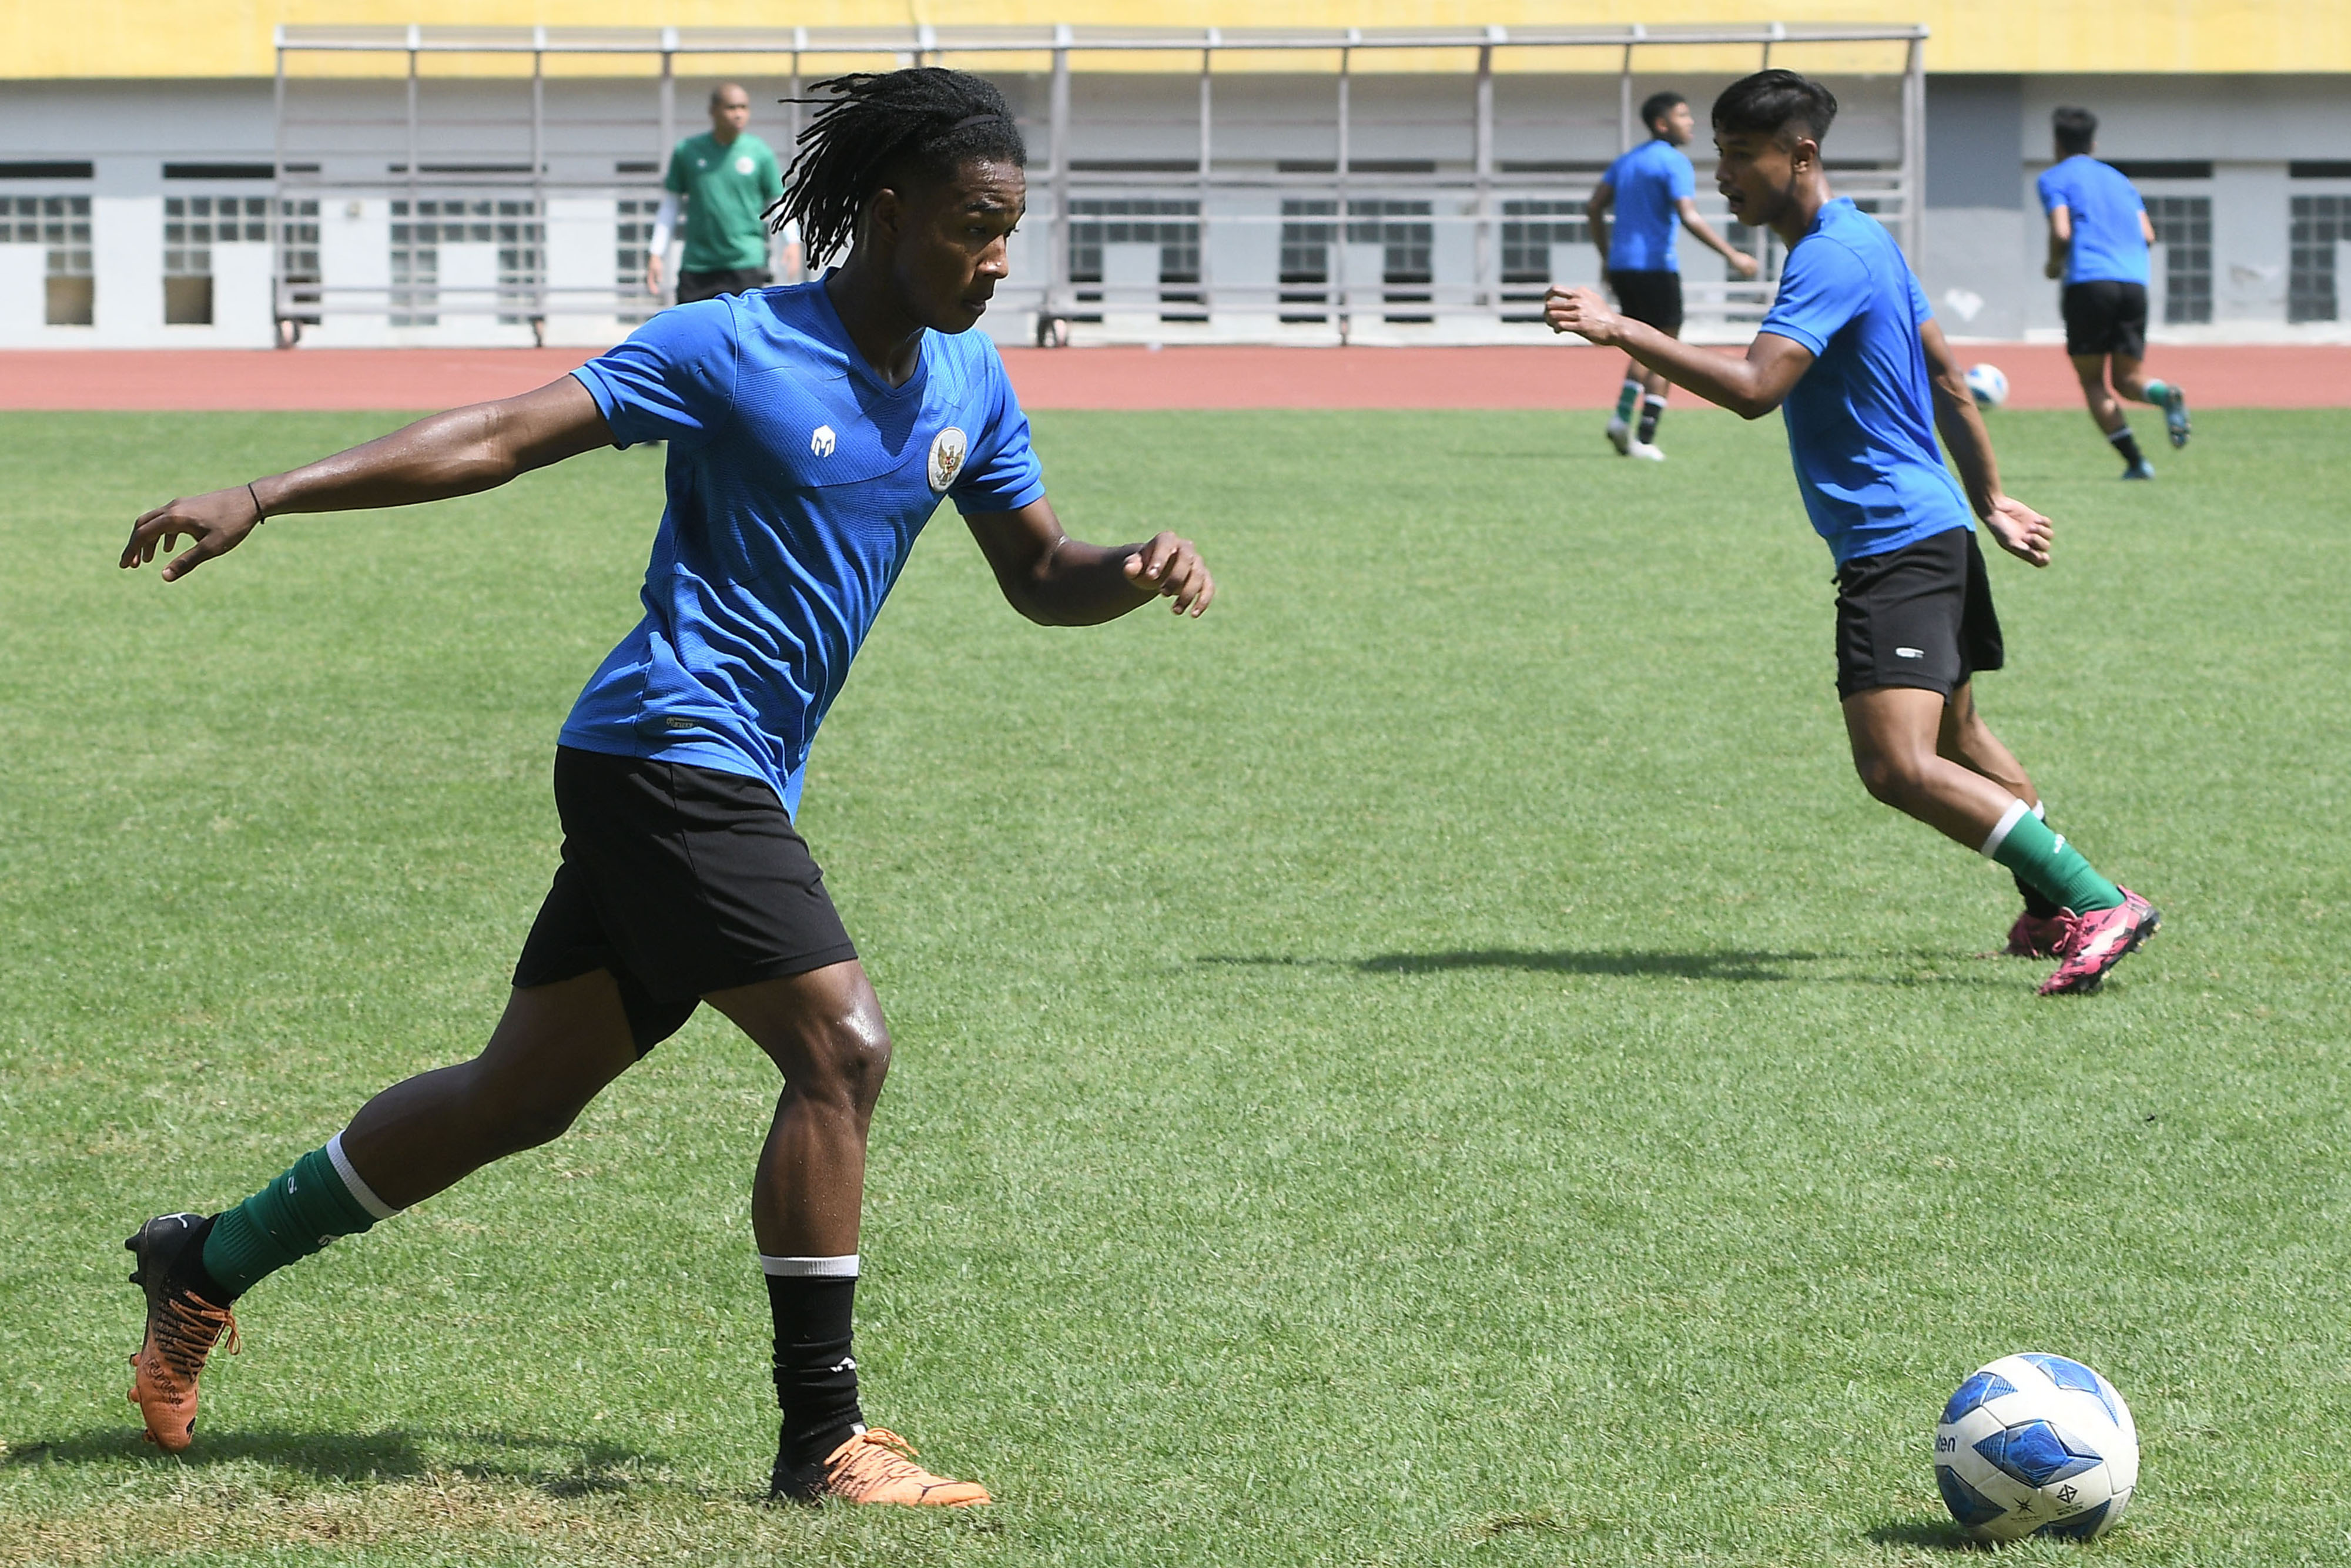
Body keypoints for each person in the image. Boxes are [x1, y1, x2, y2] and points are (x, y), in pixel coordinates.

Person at [116, 66, 1214, 1507]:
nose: (997, 257)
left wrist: (1125, 574)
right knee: (842, 1048)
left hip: (729, 772)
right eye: (971, 226)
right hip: (662, 753)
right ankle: (823, 1439)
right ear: (886, 215)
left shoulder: (969, 379)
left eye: (1011, 228)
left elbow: (1036, 576)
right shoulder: (734, 345)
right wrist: (267, 494)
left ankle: (204, 1258)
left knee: (518, 1096)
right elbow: (505, 433)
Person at [1547, 69, 2158, 993]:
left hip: (1895, 542)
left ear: (1802, 154)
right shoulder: (1866, 238)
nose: (1722, 176)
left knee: (1896, 764)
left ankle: (2099, 897)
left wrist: (1619, 328)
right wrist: (1988, 499)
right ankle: (2051, 905)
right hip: (1934, 528)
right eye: (1716, 153)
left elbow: (1756, 391)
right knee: (1958, 738)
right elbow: (1950, 376)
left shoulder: (1832, 256)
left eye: (1739, 155)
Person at [1585, 90, 1760, 461]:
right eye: (1683, 116)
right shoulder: (1673, 162)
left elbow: (1594, 205)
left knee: (1639, 339)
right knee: (1664, 346)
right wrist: (1733, 255)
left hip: (1623, 266)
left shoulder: (1628, 161)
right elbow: (1690, 215)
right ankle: (1645, 436)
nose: (1690, 122)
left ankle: (1621, 418)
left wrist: (1606, 255)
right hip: (1656, 266)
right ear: (1663, 124)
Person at [2038, 106, 2191, 478]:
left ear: (2057, 143)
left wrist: (2054, 264)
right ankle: (2163, 394)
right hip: (2134, 283)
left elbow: (2062, 231)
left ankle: (2137, 462)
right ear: (2093, 143)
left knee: (2093, 380)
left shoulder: (2055, 178)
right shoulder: (2120, 180)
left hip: (2090, 283)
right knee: (2128, 380)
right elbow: (2149, 234)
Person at [647, 82, 804, 305]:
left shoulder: (760, 153)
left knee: (743, 337)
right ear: (713, 111)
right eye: (731, 108)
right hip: (698, 266)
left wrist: (792, 241)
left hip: (745, 264)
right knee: (690, 337)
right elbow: (670, 206)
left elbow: (778, 201)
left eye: (744, 108)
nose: (739, 115)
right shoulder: (687, 152)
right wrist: (656, 252)